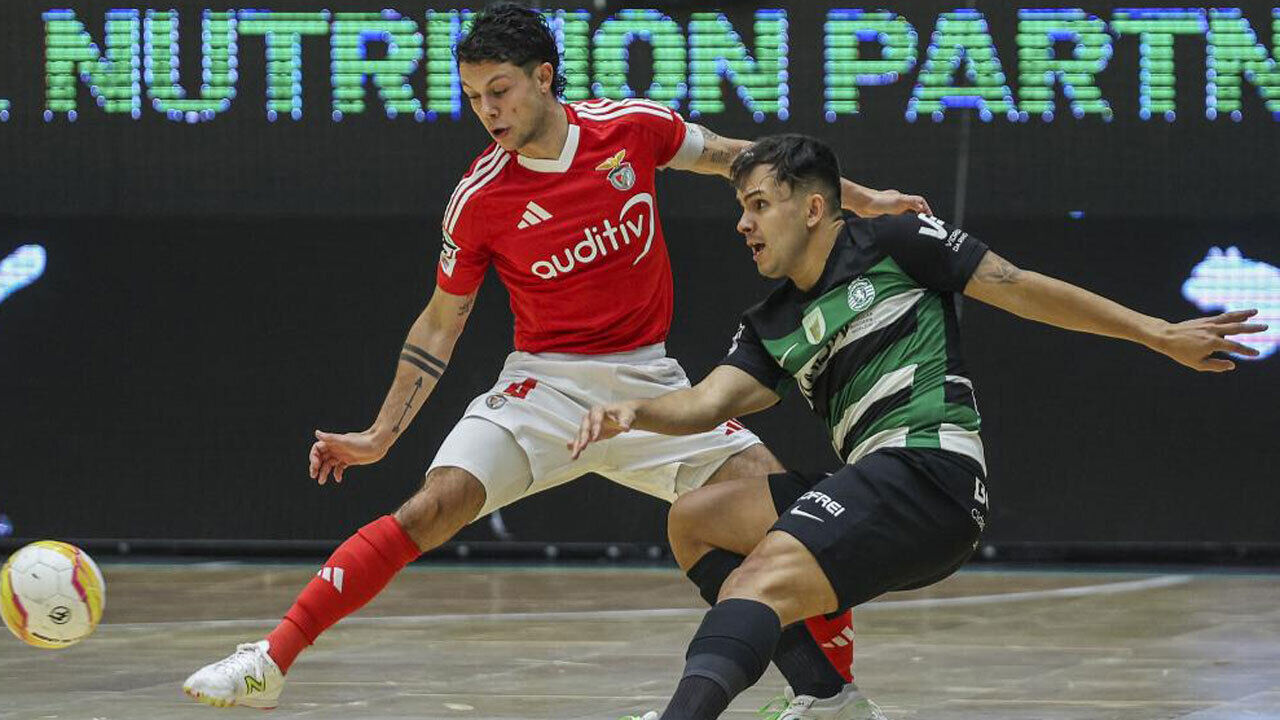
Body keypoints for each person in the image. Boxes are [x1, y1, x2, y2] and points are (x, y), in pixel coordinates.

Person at [181, 5, 929, 712]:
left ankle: (830, 700)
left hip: (648, 383)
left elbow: (748, 162)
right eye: (473, 96)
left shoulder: (630, 128)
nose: (487, 110)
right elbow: (441, 322)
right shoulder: (479, 198)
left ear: (544, 77)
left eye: (499, 89)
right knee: (430, 508)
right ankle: (270, 659)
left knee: (789, 519)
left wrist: (863, 201)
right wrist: (380, 435)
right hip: (542, 387)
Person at [569, 133, 1267, 720]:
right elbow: (706, 403)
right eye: (740, 209)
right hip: (877, 485)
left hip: (931, 473)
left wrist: (1156, 332)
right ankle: (828, 698)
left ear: (812, 207)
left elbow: (1020, 287)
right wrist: (637, 411)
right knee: (694, 521)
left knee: (759, 582)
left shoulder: (895, 242)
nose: (743, 225)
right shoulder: (771, 323)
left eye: (758, 205)